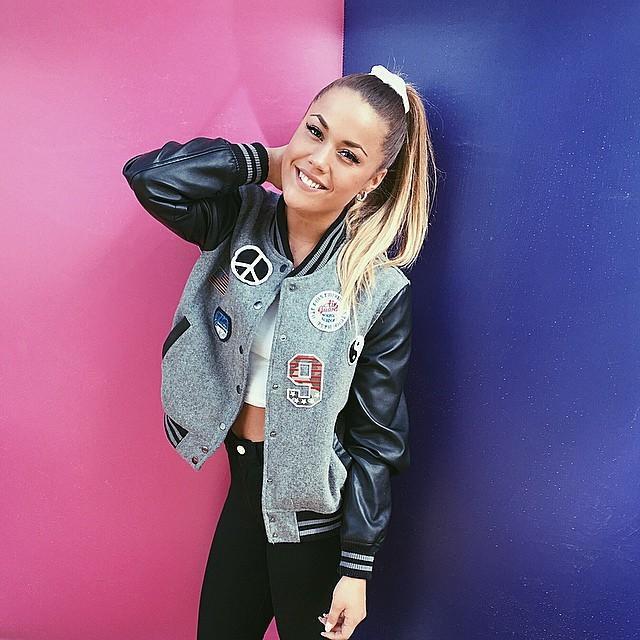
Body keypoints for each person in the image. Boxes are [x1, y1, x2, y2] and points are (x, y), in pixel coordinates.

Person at [122, 64, 438, 640]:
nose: (320, 160)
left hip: (315, 525)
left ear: (372, 180)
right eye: (315, 132)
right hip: (244, 489)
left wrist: (357, 567)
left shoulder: (378, 288)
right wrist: (264, 162)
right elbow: (150, 178)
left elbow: (378, 438)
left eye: (348, 155)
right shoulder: (236, 217)